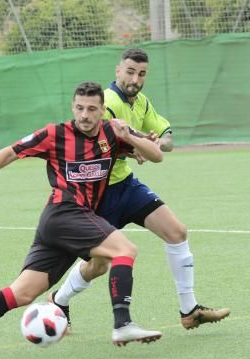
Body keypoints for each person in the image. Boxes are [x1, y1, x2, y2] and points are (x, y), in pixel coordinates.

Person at [0, 81, 164, 359]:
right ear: (72, 107)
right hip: (64, 213)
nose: (85, 115)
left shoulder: (112, 132)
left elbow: (157, 154)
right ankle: (123, 324)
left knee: (23, 293)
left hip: (70, 222)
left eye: (92, 109)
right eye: (79, 108)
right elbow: (10, 151)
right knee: (125, 250)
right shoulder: (55, 134)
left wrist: (131, 137)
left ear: (103, 110)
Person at [49, 48, 230, 331]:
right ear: (117, 70)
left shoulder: (141, 103)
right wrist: (136, 145)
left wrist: (154, 141)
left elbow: (165, 138)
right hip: (99, 194)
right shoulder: (106, 102)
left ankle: (189, 310)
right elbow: (98, 142)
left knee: (177, 232)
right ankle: (58, 301)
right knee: (98, 266)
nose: (135, 78)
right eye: (130, 71)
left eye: (142, 73)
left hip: (126, 185)